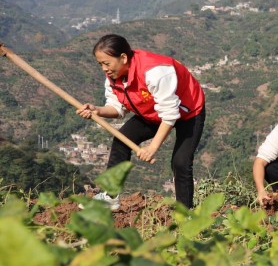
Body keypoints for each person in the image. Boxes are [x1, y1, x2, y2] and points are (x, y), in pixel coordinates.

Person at [77, 34, 206, 210]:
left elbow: (170, 114)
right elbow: (117, 108)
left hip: (188, 110)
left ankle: (185, 211)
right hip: (152, 111)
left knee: (180, 161)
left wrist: (152, 147)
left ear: (123, 57)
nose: (104, 69)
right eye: (100, 64)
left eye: (107, 63)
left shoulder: (155, 72)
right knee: (121, 139)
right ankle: (110, 196)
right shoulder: (114, 78)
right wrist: (97, 110)